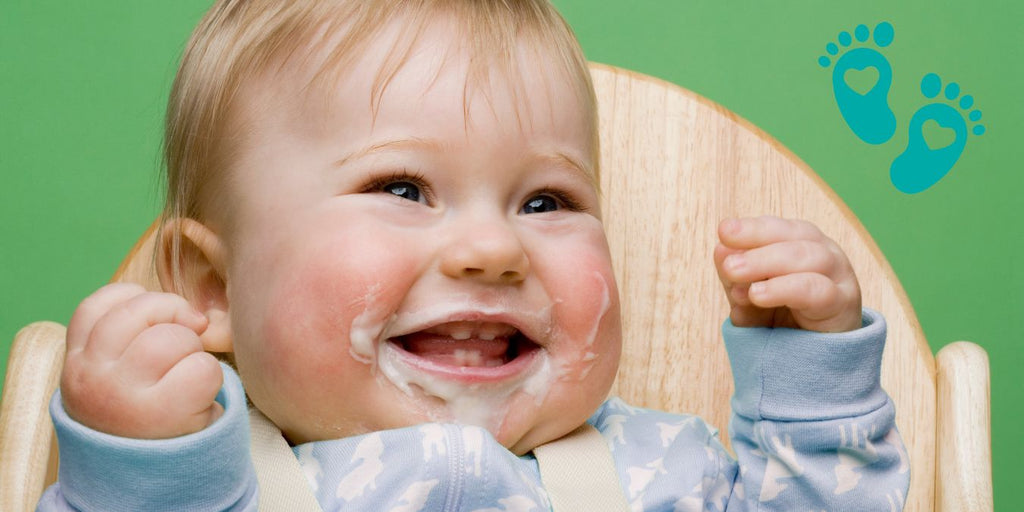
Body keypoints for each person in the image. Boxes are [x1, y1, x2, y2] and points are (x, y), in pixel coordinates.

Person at [38, 1, 910, 510]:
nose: (495, 247)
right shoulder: (215, 491)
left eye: (547, 201)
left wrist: (809, 381)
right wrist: (140, 471)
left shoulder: (662, 477)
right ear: (213, 287)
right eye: (404, 189)